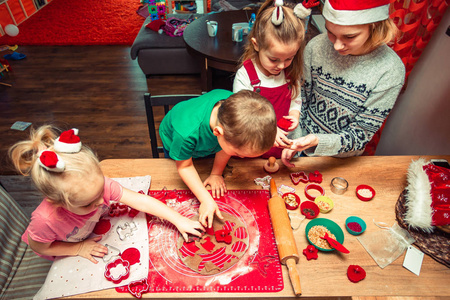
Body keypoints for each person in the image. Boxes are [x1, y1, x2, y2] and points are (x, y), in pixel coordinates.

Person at [8, 126, 204, 264]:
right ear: (58, 203)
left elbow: (140, 201)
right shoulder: (46, 221)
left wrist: (178, 219)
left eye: (101, 190)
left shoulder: (98, 188)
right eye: (88, 204)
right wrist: (77, 249)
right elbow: (41, 248)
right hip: (64, 248)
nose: (103, 200)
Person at [282, 0, 406, 166]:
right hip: (297, 149)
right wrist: (296, 141)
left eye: (349, 37)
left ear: (375, 26)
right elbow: (299, 100)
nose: (337, 46)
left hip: (341, 162)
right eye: (330, 32)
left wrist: (318, 141)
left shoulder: (390, 70)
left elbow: (360, 134)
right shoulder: (316, 47)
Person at [159, 89, 277, 228]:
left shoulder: (232, 112)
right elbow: (185, 166)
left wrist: (216, 173)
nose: (242, 157)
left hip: (209, 143)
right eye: (238, 154)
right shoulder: (185, 135)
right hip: (174, 139)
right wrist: (206, 200)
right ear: (217, 132)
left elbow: (224, 145)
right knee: (183, 159)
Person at [233, 0, 319, 158]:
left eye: (289, 58)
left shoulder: (290, 72)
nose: (281, 66)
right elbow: (242, 116)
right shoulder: (245, 75)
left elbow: (296, 98)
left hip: (284, 144)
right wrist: (270, 131)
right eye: (274, 60)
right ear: (256, 45)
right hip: (255, 142)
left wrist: (294, 114)